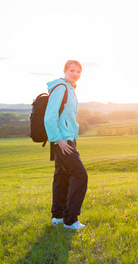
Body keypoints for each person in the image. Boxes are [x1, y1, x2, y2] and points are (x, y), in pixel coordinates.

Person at [44, 60, 88, 230]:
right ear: (65, 70)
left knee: (62, 177)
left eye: (78, 71)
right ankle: (70, 220)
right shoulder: (61, 88)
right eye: (72, 70)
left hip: (66, 139)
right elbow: (49, 117)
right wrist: (58, 140)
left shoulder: (69, 88)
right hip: (62, 141)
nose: (75, 74)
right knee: (80, 175)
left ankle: (58, 217)